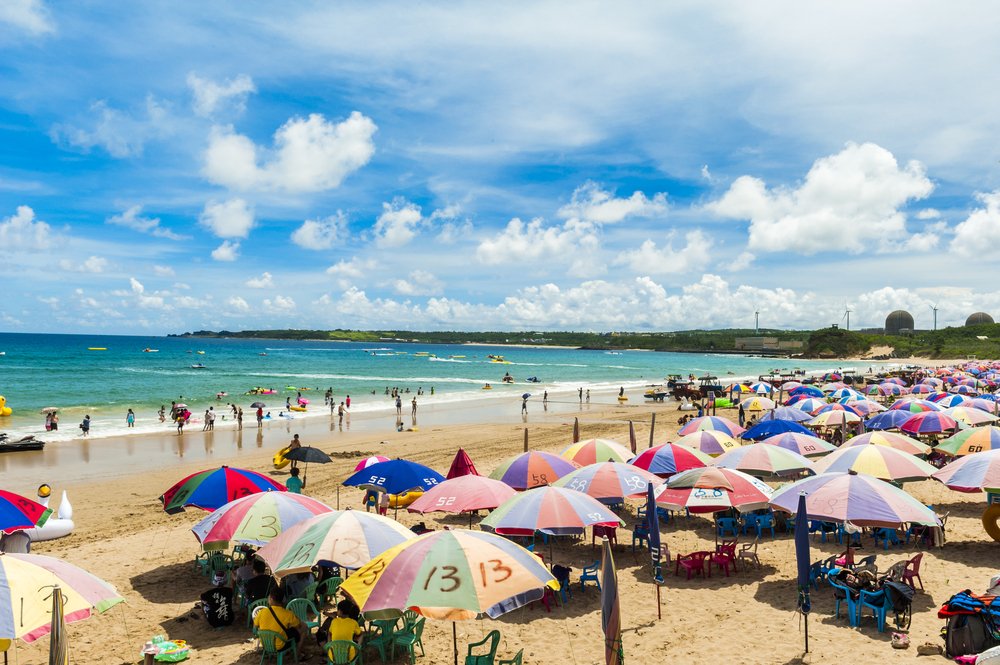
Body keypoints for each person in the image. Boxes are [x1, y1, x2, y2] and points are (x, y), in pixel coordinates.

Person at [252, 589, 303, 655]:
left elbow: (254, 629)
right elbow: (299, 626)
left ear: (271, 599)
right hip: (280, 646)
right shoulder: (288, 614)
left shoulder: (262, 612)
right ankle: (298, 652)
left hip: (265, 644)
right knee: (302, 629)